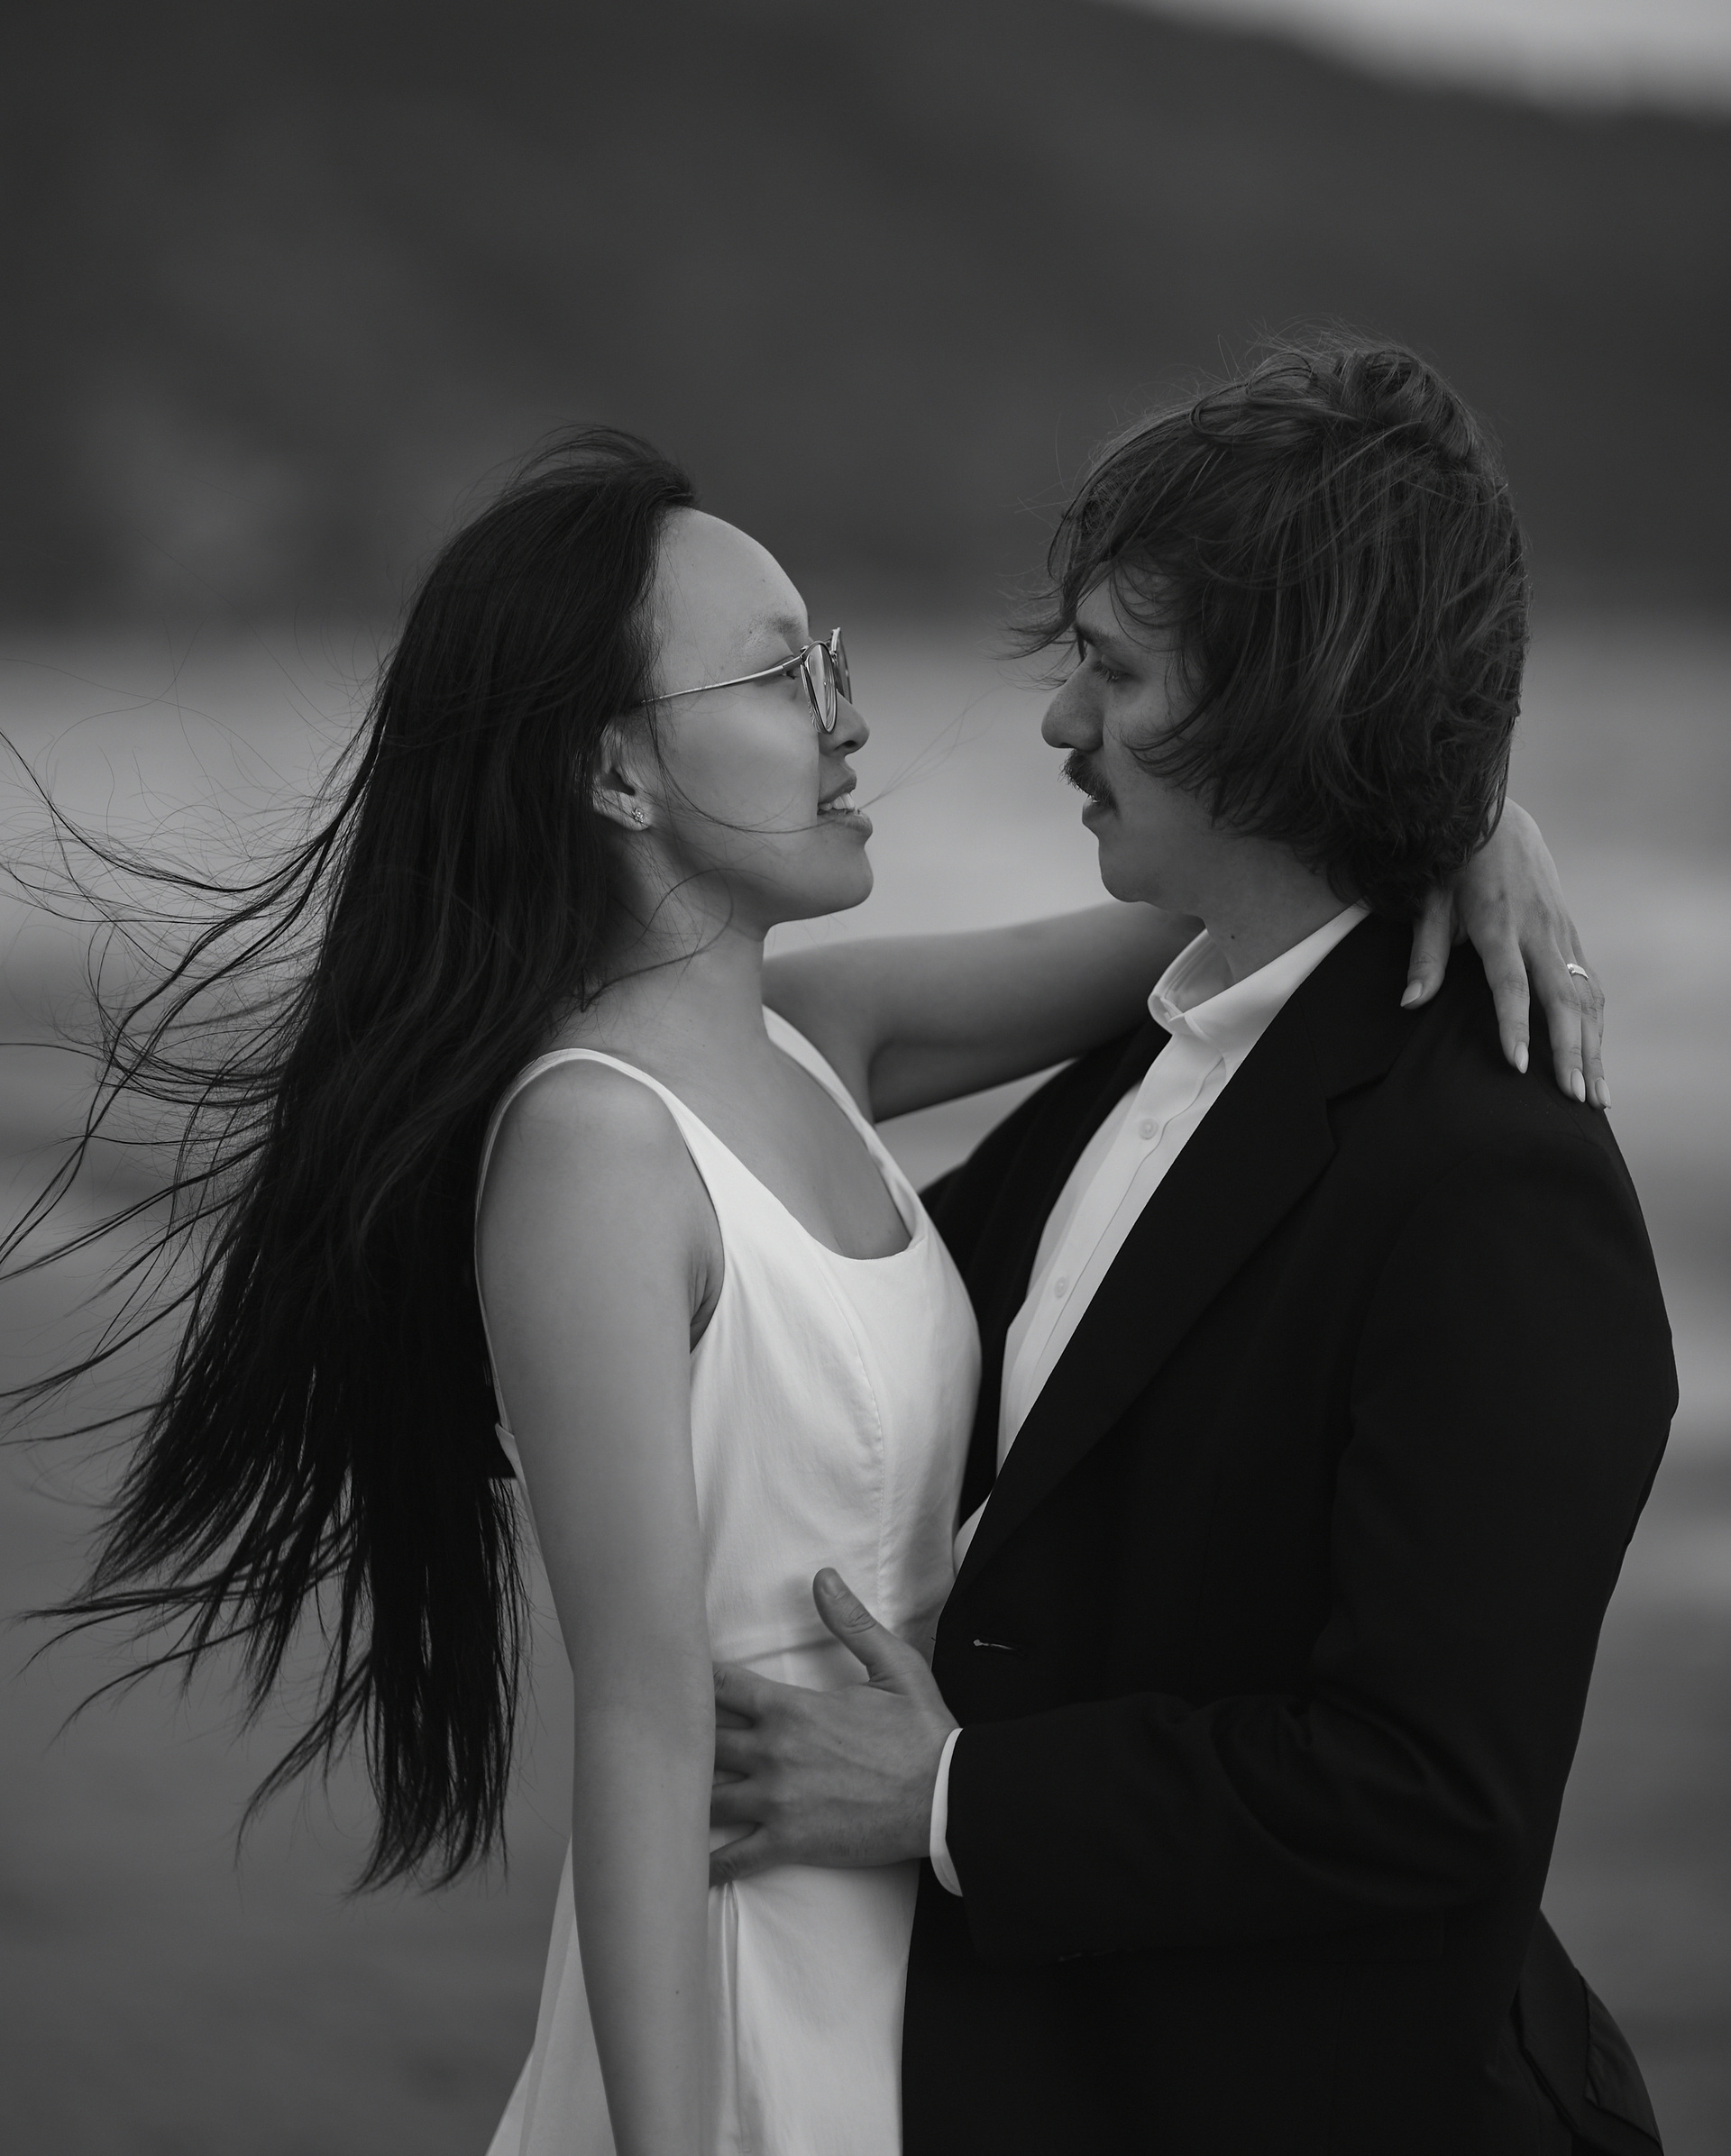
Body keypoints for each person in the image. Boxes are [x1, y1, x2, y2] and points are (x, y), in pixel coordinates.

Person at [14, 421, 1608, 2156]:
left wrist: (1463, 817)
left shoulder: (813, 1042)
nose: (847, 721)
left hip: (945, 1923)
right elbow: (641, 1726)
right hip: (760, 1926)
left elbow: (1242, 916)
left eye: (828, 662)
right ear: (617, 773)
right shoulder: (593, 1151)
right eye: (782, 676)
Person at [707, 345, 1675, 2154]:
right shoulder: (1155, 1063)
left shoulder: (1494, 1181)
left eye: (1119, 669)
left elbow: (1432, 1788)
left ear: (1297, 700)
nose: (1060, 722)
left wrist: (955, 1798)